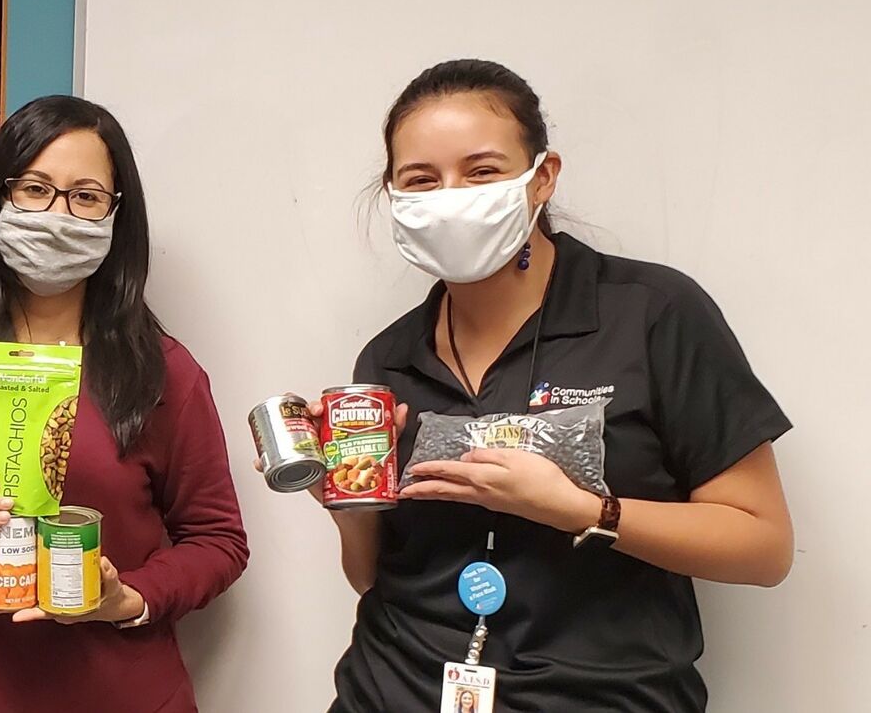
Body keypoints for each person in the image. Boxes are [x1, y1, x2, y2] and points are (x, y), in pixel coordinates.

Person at [313, 60, 793, 713]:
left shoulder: (651, 313)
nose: (450, 196)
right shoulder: (389, 358)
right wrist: (347, 500)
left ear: (542, 177)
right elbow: (370, 577)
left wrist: (584, 511)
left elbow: (763, 548)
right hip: (392, 690)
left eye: (481, 171)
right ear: (395, 197)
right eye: (420, 180)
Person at [0, 96, 250, 713]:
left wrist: (131, 599)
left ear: (116, 219)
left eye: (85, 196)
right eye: (35, 189)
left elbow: (218, 540)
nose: (57, 215)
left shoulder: (164, 371)